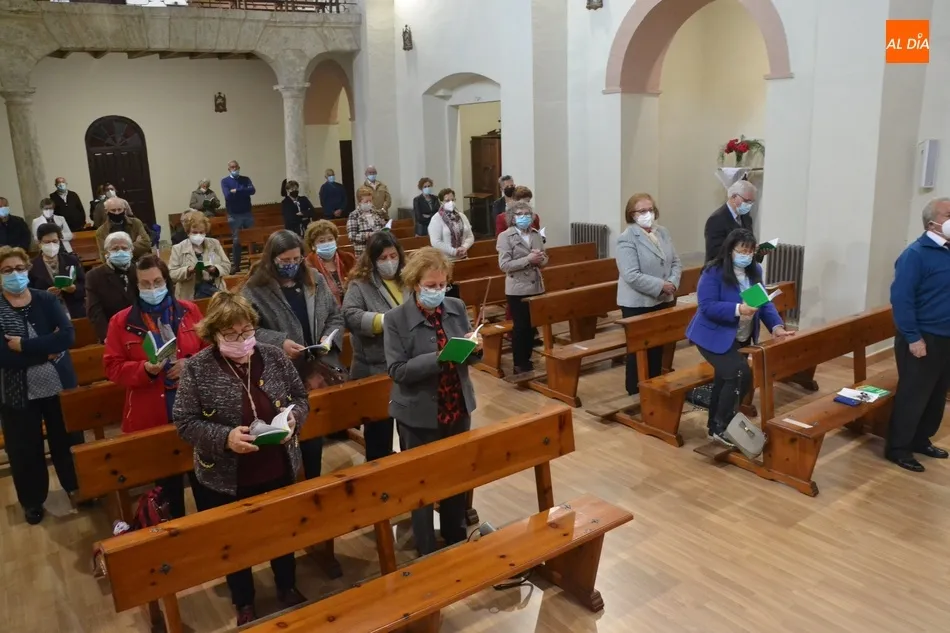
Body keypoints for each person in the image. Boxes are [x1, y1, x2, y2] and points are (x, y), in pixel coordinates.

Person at [173, 291, 309, 625]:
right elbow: (185, 422)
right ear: (214, 335)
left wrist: (294, 418)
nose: (242, 339)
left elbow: (300, 397)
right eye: (231, 334)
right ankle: (243, 600)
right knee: (233, 543)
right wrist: (225, 438)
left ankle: (287, 585)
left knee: (280, 531)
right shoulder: (198, 368)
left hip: (276, 464)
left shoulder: (273, 356)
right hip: (225, 475)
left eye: (246, 330)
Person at [384, 247, 480, 555]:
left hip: (456, 404)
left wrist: (475, 349)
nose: (438, 291)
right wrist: (439, 358)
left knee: (455, 475)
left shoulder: (456, 306)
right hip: (419, 413)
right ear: (415, 284)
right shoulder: (396, 319)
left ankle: (454, 536)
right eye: (431, 285)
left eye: (442, 284)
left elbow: (468, 357)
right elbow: (397, 370)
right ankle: (425, 547)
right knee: (421, 484)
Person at [103, 255, 205, 518]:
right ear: (136, 286)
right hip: (152, 413)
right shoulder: (120, 321)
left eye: (157, 282)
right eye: (145, 284)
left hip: (195, 409)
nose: (152, 288)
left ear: (166, 281)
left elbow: (211, 350)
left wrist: (190, 363)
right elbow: (112, 367)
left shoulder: (189, 311)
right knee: (167, 492)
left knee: (204, 480)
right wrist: (145, 369)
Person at [241, 230, 344, 479]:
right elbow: (248, 330)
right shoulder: (254, 289)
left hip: (315, 366)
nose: (292, 265)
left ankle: (313, 480)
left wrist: (327, 338)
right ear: (272, 258)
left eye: (296, 259)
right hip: (278, 372)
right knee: (287, 433)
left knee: (313, 432)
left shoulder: (314, 279)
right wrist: (280, 342)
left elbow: (335, 315)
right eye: (285, 260)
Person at [686, 228, 792, 445]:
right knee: (739, 374)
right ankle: (722, 426)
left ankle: (715, 425)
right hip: (712, 334)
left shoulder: (754, 271)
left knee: (725, 379)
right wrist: (738, 309)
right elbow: (707, 306)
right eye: (742, 251)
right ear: (730, 249)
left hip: (741, 334)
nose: (747, 256)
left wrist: (776, 327)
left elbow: (763, 302)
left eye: (750, 251)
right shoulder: (713, 272)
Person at [0, 246, 82, 525]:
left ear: (28, 270)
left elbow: (67, 336)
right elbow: (2, 355)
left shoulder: (45, 298)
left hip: (58, 384)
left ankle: (77, 487)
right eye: (7, 270)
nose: (15, 274)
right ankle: (33, 501)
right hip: (17, 390)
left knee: (67, 440)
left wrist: (24, 346)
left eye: (19, 268)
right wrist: (45, 351)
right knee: (24, 447)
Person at [886, 197, 950, 472]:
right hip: (923, 337)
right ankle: (898, 448)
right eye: (949, 214)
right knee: (914, 396)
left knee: (936, 395)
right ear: (932, 223)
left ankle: (920, 439)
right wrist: (913, 337)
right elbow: (901, 299)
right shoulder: (915, 254)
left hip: (946, 336)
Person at [342, 231, 406, 460]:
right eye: (383, 258)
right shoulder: (360, 284)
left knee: (408, 426)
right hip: (375, 365)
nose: (390, 261)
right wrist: (383, 321)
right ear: (372, 260)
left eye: (393, 256)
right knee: (379, 430)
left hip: (406, 363)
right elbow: (350, 315)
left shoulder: (407, 278)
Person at [616, 193, 682, 395]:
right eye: (642, 211)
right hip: (638, 302)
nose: (648, 214)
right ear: (632, 214)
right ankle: (635, 391)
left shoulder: (662, 232)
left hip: (662, 299)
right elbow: (631, 275)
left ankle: (653, 387)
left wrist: (672, 282)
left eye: (651, 209)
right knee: (639, 350)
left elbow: (676, 262)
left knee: (657, 347)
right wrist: (661, 285)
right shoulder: (627, 238)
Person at [497, 200, 548, 374]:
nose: (524, 217)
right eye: (520, 214)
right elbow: (504, 265)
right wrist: (528, 259)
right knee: (521, 326)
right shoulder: (505, 236)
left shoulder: (535, 234)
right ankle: (519, 363)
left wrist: (541, 259)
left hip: (536, 286)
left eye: (527, 214)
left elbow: (545, 258)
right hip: (517, 288)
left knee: (532, 326)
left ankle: (528, 358)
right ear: (512, 217)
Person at [85, 231, 137, 343]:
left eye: (124, 248)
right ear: (107, 253)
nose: (120, 252)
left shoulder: (139, 271)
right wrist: (107, 336)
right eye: (115, 249)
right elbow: (95, 311)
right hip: (113, 333)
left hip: (141, 330)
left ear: (131, 251)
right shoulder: (94, 276)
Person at [29, 223, 86, 319]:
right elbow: (29, 292)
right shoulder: (32, 266)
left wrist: (74, 288)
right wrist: (45, 294)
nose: (51, 245)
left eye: (55, 241)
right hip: (46, 311)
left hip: (73, 309)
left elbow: (84, 285)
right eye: (47, 242)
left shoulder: (71, 260)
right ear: (39, 243)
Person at [168, 211, 230, 300]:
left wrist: (215, 269)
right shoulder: (178, 248)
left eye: (201, 232)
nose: (198, 235)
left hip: (215, 292)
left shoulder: (214, 244)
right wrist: (188, 270)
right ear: (188, 232)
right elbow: (172, 274)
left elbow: (227, 266)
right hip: (189, 295)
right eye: (194, 232)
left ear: (205, 232)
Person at [304, 219, 356, 306]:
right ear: (313, 245)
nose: (327, 243)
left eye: (330, 239)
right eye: (321, 241)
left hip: (353, 305)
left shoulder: (348, 258)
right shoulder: (308, 264)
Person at [704, 180, 756, 263]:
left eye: (751, 202)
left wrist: (755, 250)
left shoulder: (746, 218)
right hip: (721, 267)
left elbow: (749, 242)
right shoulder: (716, 220)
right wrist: (740, 253)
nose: (749, 205)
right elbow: (714, 253)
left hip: (742, 267)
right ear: (734, 197)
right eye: (746, 201)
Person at [221, 160, 257, 272]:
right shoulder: (225, 181)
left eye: (236, 167)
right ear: (229, 169)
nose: (234, 169)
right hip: (234, 215)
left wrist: (236, 191)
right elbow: (227, 195)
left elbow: (252, 190)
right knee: (237, 241)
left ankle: (254, 265)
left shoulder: (245, 179)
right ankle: (236, 266)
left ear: (239, 167)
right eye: (232, 167)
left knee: (252, 238)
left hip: (247, 213)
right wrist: (243, 191)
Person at [346, 185, 389, 258]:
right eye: (366, 201)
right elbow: (352, 236)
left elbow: (382, 228)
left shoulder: (376, 213)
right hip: (363, 253)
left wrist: (384, 229)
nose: (369, 203)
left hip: (378, 250)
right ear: (360, 202)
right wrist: (368, 235)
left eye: (370, 201)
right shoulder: (354, 215)